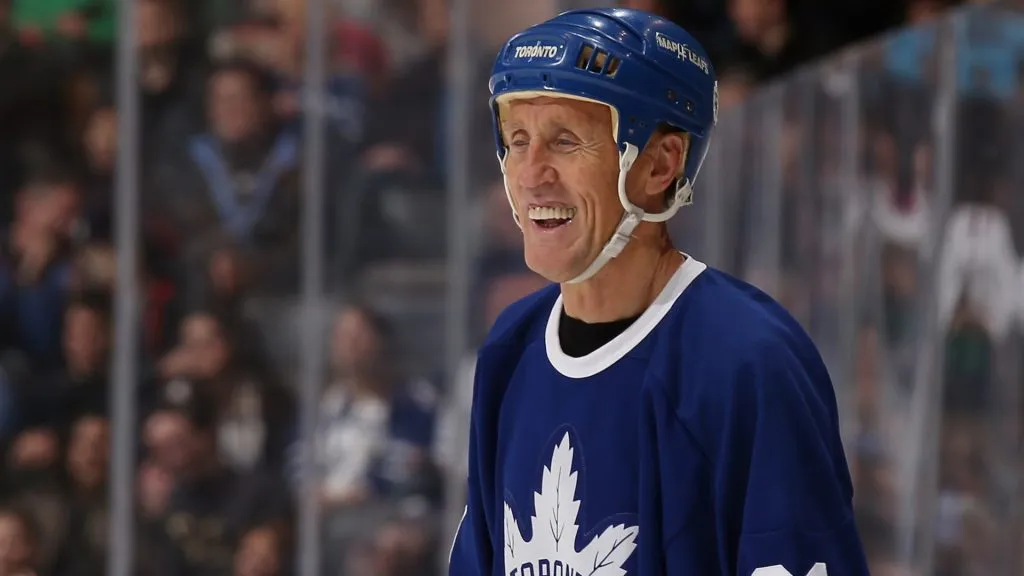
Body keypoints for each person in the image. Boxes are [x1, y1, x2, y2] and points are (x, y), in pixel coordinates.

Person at [447, 8, 869, 576]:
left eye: (565, 141)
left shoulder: (746, 362)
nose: (530, 174)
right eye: (517, 140)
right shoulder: (510, 348)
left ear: (661, 164)